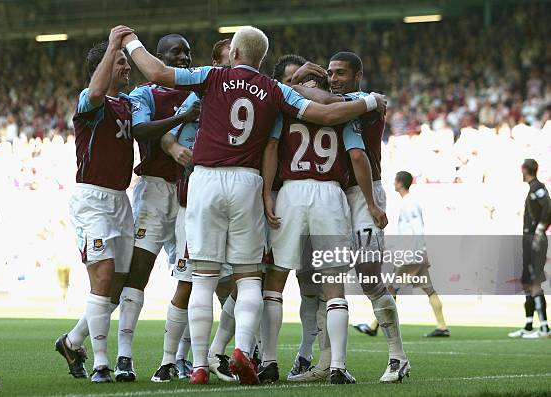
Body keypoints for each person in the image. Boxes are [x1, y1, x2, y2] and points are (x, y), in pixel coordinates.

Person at [122, 26, 386, 385]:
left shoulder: (212, 76)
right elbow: (326, 116)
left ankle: (201, 365)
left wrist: (128, 40)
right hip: (256, 183)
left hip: (211, 178)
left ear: (233, 54)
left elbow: (155, 72)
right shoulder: (274, 89)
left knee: (206, 277)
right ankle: (248, 351)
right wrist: (369, 101)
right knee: (251, 277)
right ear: (262, 59)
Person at [292, 51, 409, 383]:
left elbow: (357, 155)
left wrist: (372, 205)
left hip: (363, 193)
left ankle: (398, 357)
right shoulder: (349, 101)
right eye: (330, 72)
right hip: (336, 195)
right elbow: (324, 99)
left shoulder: (358, 101)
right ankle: (328, 363)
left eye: (341, 72)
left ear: (358, 75)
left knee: (369, 276)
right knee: (330, 281)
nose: (333, 77)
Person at [54, 25, 157, 383]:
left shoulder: (130, 104)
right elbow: (97, 91)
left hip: (120, 199)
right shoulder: (89, 100)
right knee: (103, 274)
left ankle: (72, 341)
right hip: (92, 198)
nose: (127, 67)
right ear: (104, 66)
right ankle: (100, 363)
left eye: (127, 63)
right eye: (120, 63)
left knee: (118, 283)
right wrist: (114, 42)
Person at [260, 72, 359, 384]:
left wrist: (266, 193)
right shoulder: (343, 110)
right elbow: (356, 154)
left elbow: (273, 148)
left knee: (276, 278)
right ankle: (338, 367)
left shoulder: (287, 107)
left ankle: (269, 361)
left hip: (292, 190)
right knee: (334, 286)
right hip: (329, 193)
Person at [150, 38, 237, 384]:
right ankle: (170, 360)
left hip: (236, 201)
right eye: (229, 59)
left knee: (243, 284)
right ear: (215, 63)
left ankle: (216, 353)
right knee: (189, 281)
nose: (235, 65)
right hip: (197, 199)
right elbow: (168, 132)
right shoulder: (202, 90)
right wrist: (174, 149)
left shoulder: (251, 95)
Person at [116, 33, 200, 382]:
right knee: (139, 271)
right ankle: (123, 356)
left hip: (190, 193)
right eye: (175, 53)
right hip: (153, 190)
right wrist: (181, 120)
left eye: (188, 52)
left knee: (188, 275)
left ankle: (173, 359)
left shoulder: (201, 89)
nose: (184, 57)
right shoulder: (144, 94)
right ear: (159, 57)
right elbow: (140, 130)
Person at [353, 171, 450, 338]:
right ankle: (442, 327)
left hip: (410, 255)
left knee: (390, 290)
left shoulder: (409, 204)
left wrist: (415, 252)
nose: (393, 184)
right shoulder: (409, 203)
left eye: (395, 180)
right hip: (415, 253)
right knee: (428, 290)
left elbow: (415, 229)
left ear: (399, 183)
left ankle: (374, 325)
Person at [508, 159, 550, 339]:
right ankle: (528, 325)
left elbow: (549, 206)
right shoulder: (532, 188)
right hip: (528, 239)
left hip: (534, 240)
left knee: (534, 282)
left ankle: (544, 328)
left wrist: (540, 229)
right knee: (527, 281)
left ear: (525, 169)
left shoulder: (537, 187)